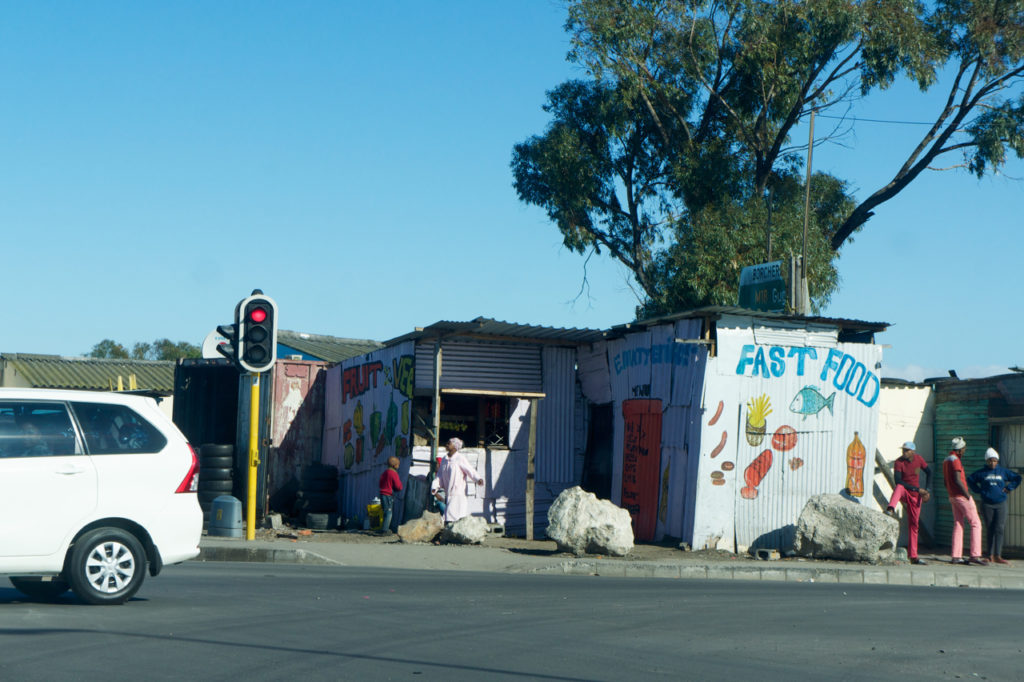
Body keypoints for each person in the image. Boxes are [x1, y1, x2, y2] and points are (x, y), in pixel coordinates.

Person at [968, 447, 1021, 565]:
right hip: (987, 504)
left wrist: (1009, 488)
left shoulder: (1003, 472)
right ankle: (989, 555)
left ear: (997, 461)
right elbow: (970, 480)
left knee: (1000, 529)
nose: (992, 463)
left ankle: (998, 554)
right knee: (990, 528)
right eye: (990, 461)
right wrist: (979, 491)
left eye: (994, 460)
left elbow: (1017, 478)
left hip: (1001, 504)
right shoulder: (982, 473)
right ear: (986, 461)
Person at [884, 441, 932, 565]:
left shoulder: (919, 459)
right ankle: (890, 508)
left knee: (914, 525)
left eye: (906, 450)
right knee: (899, 487)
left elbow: (929, 472)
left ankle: (914, 556)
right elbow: (898, 481)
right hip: (906, 492)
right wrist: (917, 489)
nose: (904, 452)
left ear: (913, 452)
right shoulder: (899, 462)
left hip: (916, 496)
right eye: (903, 450)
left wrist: (927, 490)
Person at [943, 437, 987, 565]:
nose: (965, 451)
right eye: (964, 449)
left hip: (952, 496)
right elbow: (957, 480)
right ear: (960, 449)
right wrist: (967, 495)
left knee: (958, 524)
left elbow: (946, 481)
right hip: (961, 496)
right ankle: (975, 555)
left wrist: (951, 493)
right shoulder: (956, 461)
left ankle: (956, 556)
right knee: (975, 523)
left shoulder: (946, 460)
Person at [430, 437, 484, 524]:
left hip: (459, 493)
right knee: (448, 516)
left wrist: (477, 479)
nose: (447, 445)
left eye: (449, 443)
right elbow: (439, 475)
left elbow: (470, 470)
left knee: (456, 516)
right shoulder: (444, 459)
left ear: (455, 446)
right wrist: (435, 486)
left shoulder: (460, 458)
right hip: (449, 493)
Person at [378, 456, 403, 534]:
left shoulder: (385, 472)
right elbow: (398, 486)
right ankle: (385, 530)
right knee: (389, 512)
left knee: (385, 512)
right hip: (388, 495)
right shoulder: (393, 473)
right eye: (398, 464)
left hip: (382, 494)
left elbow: (380, 483)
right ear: (394, 465)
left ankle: (384, 528)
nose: (398, 466)